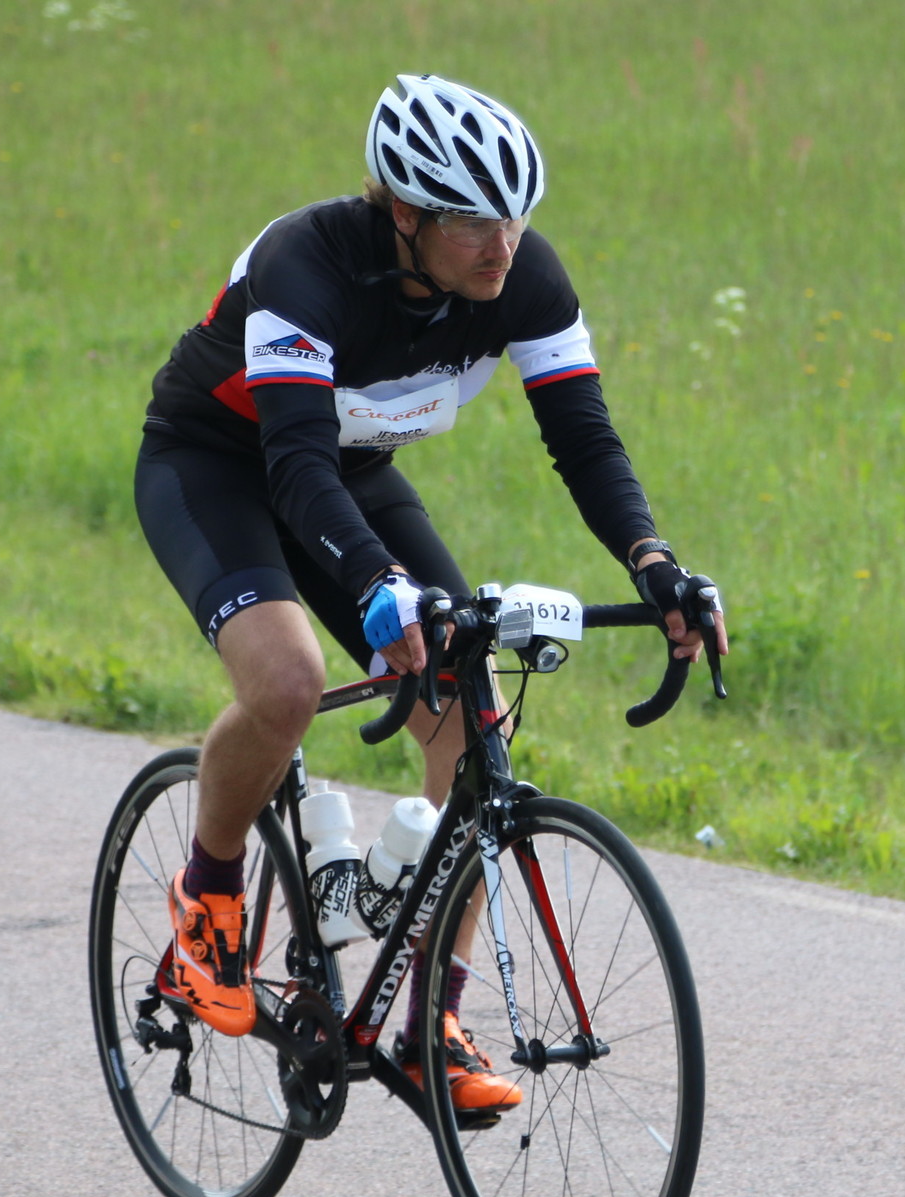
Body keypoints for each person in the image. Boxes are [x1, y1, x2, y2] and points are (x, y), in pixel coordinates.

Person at [133, 75, 727, 1112]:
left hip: (351, 475)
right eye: (473, 224)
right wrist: (375, 586)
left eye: (515, 218)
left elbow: (583, 438)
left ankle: (427, 1024)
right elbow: (293, 463)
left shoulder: (524, 276)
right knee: (287, 682)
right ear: (404, 213)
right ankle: (208, 902)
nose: (503, 246)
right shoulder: (305, 264)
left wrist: (653, 562)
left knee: (472, 712)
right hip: (222, 465)